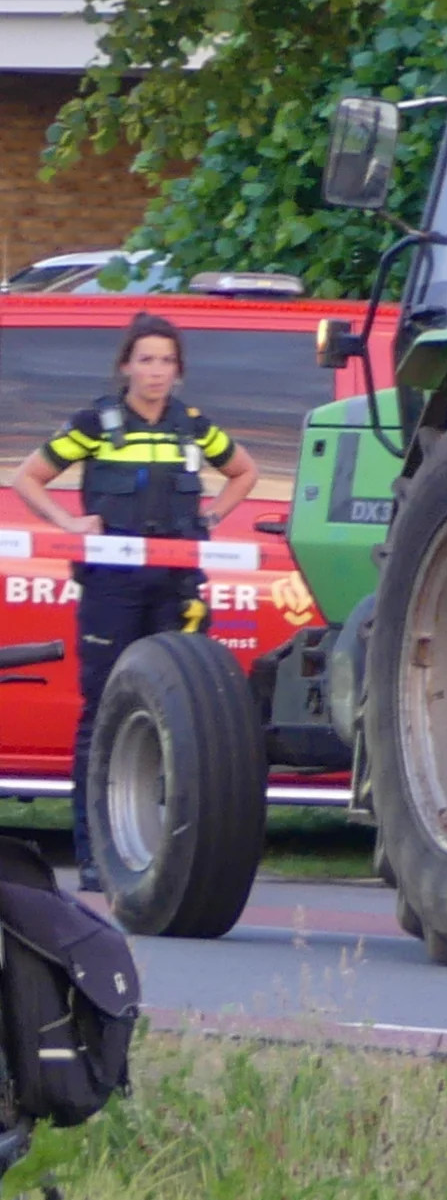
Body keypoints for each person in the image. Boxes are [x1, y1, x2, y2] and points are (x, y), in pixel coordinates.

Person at [7, 315, 260, 889]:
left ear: (178, 370)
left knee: (181, 717)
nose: (155, 371)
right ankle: (95, 854)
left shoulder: (193, 427)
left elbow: (244, 471)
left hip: (174, 587)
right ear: (126, 365)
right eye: (145, 360)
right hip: (112, 587)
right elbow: (30, 478)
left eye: (166, 361)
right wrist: (70, 523)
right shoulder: (97, 422)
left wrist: (212, 517)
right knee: (102, 713)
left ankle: (165, 851)